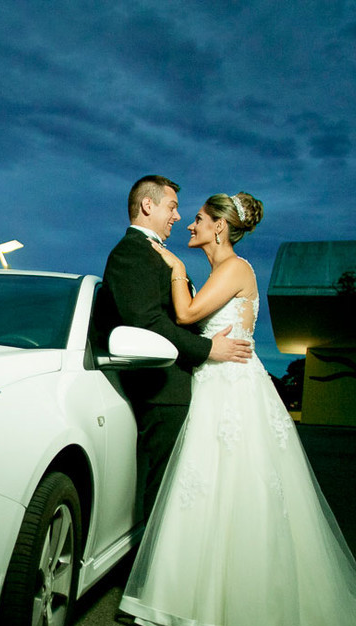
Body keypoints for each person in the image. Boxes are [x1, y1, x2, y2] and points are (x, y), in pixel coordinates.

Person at [118, 192, 356, 626]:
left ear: (219, 227)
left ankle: (235, 607)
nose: (188, 224)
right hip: (215, 383)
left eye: (197, 218)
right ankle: (194, 605)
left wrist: (173, 267)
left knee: (237, 490)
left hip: (232, 390)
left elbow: (189, 316)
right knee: (209, 491)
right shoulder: (222, 270)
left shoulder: (235, 267)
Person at [96, 176, 251, 524]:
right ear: (147, 206)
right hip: (162, 392)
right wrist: (206, 348)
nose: (179, 218)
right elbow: (147, 321)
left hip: (187, 389)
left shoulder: (160, 255)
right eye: (173, 207)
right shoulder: (131, 253)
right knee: (164, 494)